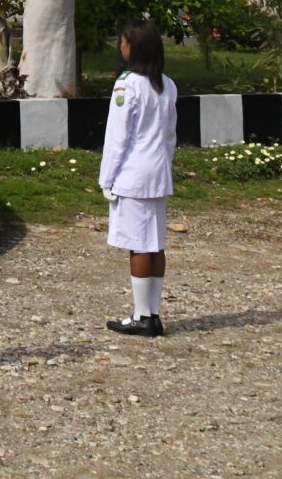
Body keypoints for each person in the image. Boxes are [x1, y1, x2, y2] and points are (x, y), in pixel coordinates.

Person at [98, 19, 180, 338]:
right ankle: (153, 314)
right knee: (155, 244)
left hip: (133, 173)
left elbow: (118, 137)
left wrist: (108, 178)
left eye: (124, 41)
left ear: (135, 47)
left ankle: (141, 316)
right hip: (158, 171)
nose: (121, 46)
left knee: (139, 246)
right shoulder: (167, 84)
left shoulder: (127, 84)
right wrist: (165, 166)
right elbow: (170, 136)